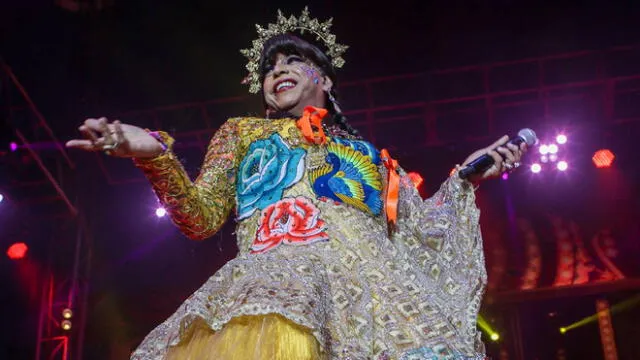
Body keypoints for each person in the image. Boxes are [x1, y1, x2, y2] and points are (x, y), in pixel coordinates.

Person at [66, 8, 526, 360]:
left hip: (372, 302)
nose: (277, 71)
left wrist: (464, 179)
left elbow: (417, 231)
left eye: (293, 61)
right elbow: (200, 217)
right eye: (269, 68)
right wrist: (155, 155)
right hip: (279, 287)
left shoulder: (370, 157)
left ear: (323, 79)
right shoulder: (243, 133)